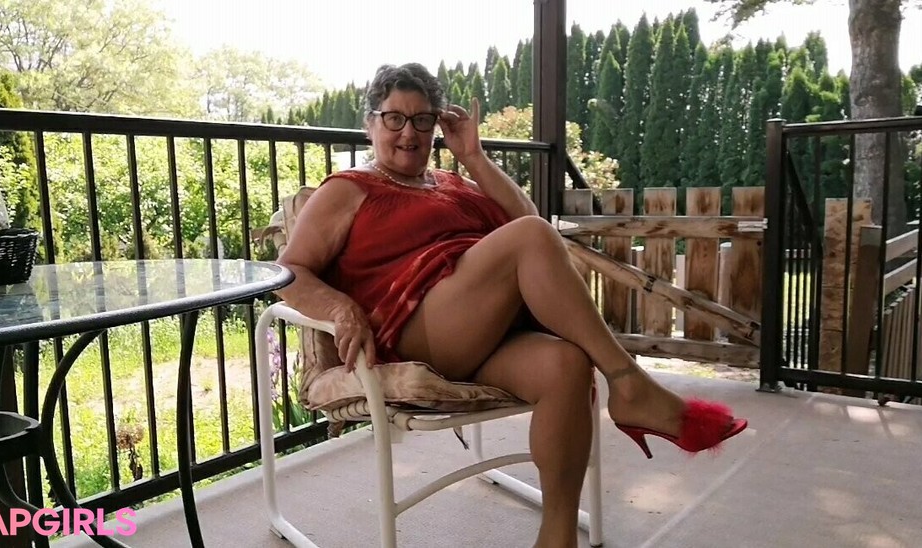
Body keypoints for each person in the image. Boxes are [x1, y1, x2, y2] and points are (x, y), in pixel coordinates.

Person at [275, 63, 747, 548]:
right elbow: (290, 271)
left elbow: (530, 223)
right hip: (419, 329)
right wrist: (342, 309)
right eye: (394, 118)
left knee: (566, 365)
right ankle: (629, 383)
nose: (409, 133)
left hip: (486, 333)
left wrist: (473, 156)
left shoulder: (452, 183)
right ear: (370, 123)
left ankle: (557, 536)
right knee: (530, 238)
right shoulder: (347, 189)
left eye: (422, 120)